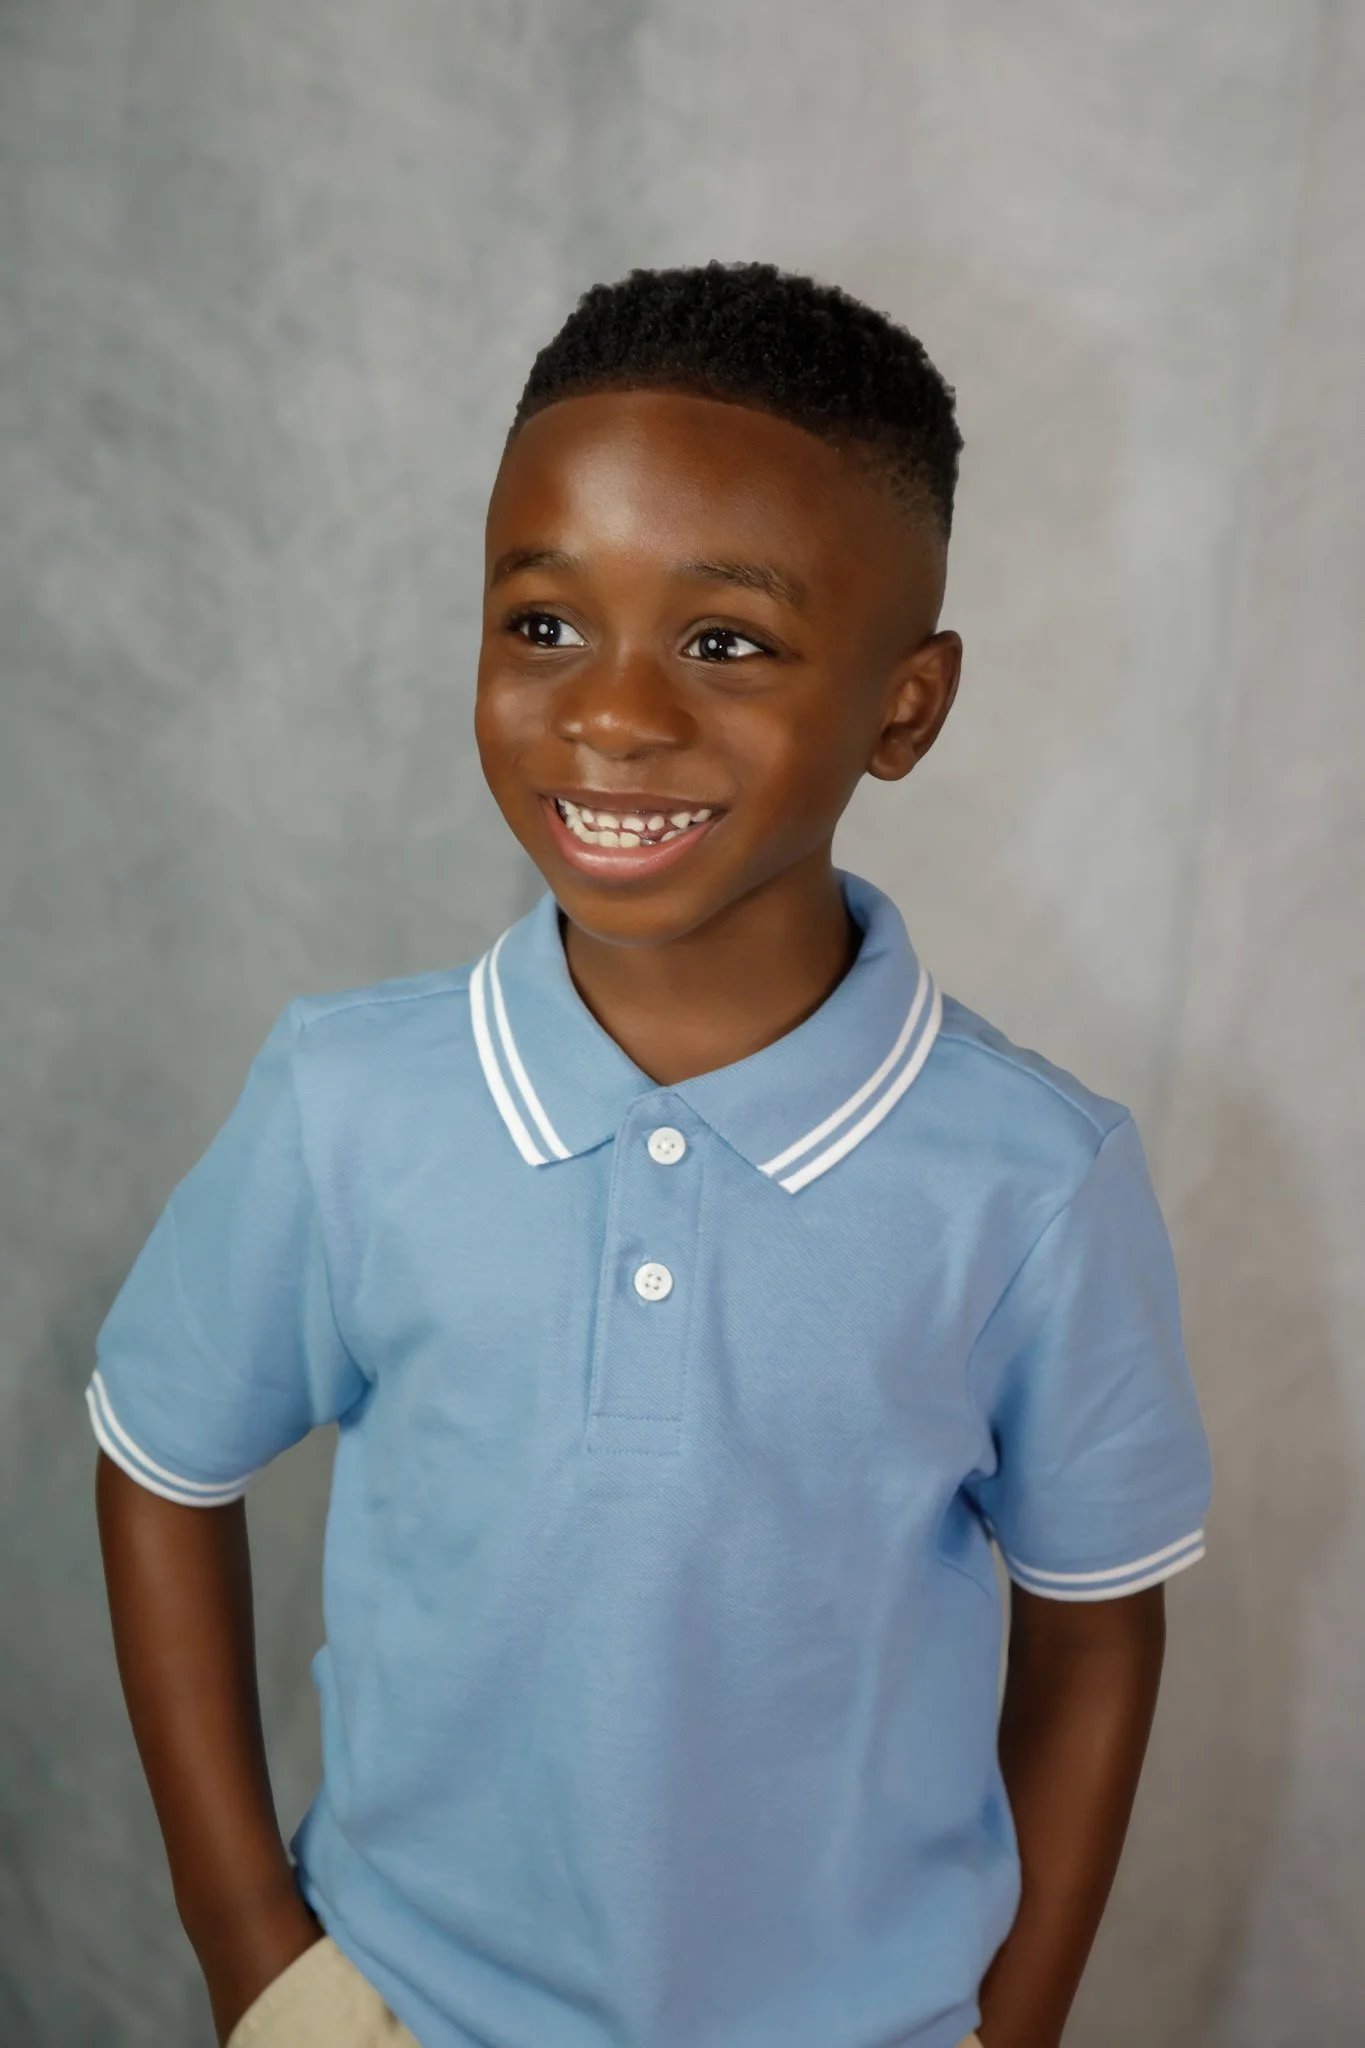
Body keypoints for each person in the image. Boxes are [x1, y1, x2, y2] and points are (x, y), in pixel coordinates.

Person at [91, 262, 1212, 2048]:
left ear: (906, 708)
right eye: (543, 624)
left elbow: (1092, 1638)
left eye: (725, 641)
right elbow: (160, 1459)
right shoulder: (349, 1098)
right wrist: (254, 1954)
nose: (613, 713)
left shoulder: (1034, 1182)